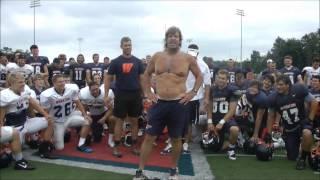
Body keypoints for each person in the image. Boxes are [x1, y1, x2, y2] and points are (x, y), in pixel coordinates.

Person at [133, 26, 203, 180]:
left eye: (176, 36)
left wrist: (193, 92)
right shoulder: (157, 56)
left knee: (176, 138)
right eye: (170, 35)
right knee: (149, 137)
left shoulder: (187, 58)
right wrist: (148, 92)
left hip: (178, 104)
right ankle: (140, 172)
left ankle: (173, 170)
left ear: (180, 40)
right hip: (159, 103)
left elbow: (199, 76)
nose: (172, 38)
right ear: (166, 39)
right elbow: (145, 75)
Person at [0, 72, 56, 159]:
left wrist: (45, 114)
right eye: (20, 82)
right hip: (14, 128)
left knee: (50, 120)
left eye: (24, 82)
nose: (23, 84)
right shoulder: (4, 95)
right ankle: (9, 148)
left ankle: (44, 149)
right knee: (10, 156)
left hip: (26, 122)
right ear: (11, 83)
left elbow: (32, 102)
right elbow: (1, 118)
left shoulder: (25, 90)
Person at [104, 36, 144, 158]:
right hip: (121, 95)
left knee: (134, 121)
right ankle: (116, 147)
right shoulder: (115, 62)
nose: (128, 47)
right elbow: (107, 78)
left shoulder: (138, 61)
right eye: (126, 45)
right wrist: (106, 95)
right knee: (119, 122)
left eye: (129, 45)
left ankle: (135, 146)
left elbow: (142, 79)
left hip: (135, 95)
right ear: (121, 46)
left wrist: (145, 93)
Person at [267, 75, 317, 170]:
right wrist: (269, 134)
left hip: (302, 122)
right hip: (289, 128)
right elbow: (270, 116)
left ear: (288, 85)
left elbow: (314, 102)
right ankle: (303, 148)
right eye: (277, 85)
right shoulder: (273, 97)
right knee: (292, 157)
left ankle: (302, 159)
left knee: (307, 133)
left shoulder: (298, 89)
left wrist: (310, 119)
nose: (278, 87)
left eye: (281, 85)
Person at [40, 74, 93, 153]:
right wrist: (47, 129)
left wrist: (84, 114)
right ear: (53, 83)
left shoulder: (72, 88)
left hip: (69, 116)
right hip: (58, 121)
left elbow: (77, 101)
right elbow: (46, 113)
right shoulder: (47, 95)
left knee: (87, 120)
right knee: (59, 148)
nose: (63, 83)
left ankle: (81, 144)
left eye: (63, 81)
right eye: (60, 82)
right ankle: (53, 137)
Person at [207, 69, 240, 160]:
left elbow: (232, 110)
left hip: (226, 119)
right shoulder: (212, 89)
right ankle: (208, 137)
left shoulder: (232, 90)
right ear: (216, 78)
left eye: (223, 78)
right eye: (219, 78)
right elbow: (209, 107)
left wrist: (222, 122)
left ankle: (231, 148)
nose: (221, 80)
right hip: (214, 117)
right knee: (213, 148)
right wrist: (209, 122)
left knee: (234, 130)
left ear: (227, 80)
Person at [79, 82, 115, 146]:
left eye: (96, 89)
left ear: (99, 87)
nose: (95, 91)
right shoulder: (83, 93)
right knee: (93, 139)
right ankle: (86, 132)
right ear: (89, 90)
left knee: (112, 119)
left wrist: (104, 118)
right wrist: (86, 115)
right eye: (93, 90)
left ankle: (110, 140)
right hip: (92, 114)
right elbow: (83, 108)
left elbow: (111, 109)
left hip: (103, 113)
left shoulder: (107, 93)